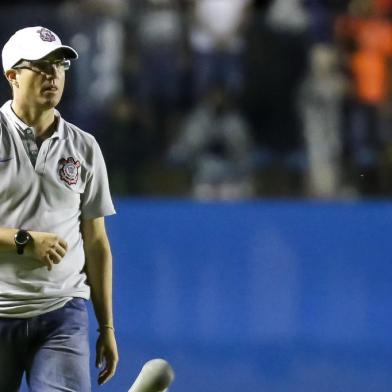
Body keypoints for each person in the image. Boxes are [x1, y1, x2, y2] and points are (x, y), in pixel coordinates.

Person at [0, 26, 118, 391]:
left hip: (61, 315)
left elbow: (96, 242)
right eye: (41, 65)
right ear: (12, 75)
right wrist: (23, 240)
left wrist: (107, 327)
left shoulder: (85, 147)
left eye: (61, 65)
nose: (53, 74)